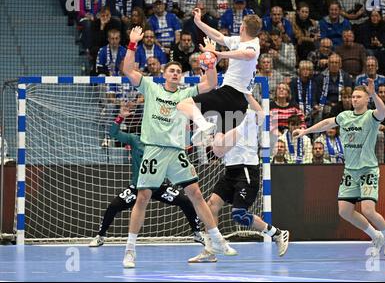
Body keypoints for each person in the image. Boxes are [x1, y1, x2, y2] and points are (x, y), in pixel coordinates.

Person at [121, 26, 237, 268]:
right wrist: (132, 44)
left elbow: (211, 84)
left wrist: (212, 61)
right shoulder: (151, 88)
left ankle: (216, 239)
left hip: (176, 152)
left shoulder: (185, 94)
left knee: (195, 193)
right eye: (171, 71)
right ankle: (130, 250)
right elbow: (127, 70)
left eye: (178, 72)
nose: (175, 74)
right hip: (154, 149)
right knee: (142, 196)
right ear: (164, 74)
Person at [294, 80, 385, 257]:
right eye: (353, 97)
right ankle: (376, 236)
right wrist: (305, 131)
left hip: (367, 169)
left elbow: (382, 112)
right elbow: (326, 123)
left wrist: (373, 93)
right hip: (350, 170)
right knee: (345, 211)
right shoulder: (344, 116)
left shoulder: (371, 116)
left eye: (359, 97)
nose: (354, 99)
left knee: (367, 210)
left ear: (366, 100)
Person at [188, 98, 290, 263]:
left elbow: (262, 115)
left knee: (239, 215)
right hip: (231, 170)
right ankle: (210, 250)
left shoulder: (249, 115)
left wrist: (247, 94)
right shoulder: (222, 119)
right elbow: (218, 149)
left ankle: (277, 234)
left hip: (247, 169)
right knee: (212, 205)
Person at [89, 103, 204, 247]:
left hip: (159, 187)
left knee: (186, 201)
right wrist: (120, 118)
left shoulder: (163, 141)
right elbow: (113, 134)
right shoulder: (135, 140)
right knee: (113, 206)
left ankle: (197, 233)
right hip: (138, 187)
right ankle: (100, 236)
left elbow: (184, 141)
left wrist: (187, 127)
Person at [176, 7, 262, 144]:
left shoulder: (253, 45)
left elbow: (249, 55)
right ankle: (243, 128)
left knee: (183, 105)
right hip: (240, 102)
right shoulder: (237, 41)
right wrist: (198, 22)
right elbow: (218, 36)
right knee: (219, 147)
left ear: (243, 28)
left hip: (229, 93)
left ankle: (204, 126)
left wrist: (219, 54)